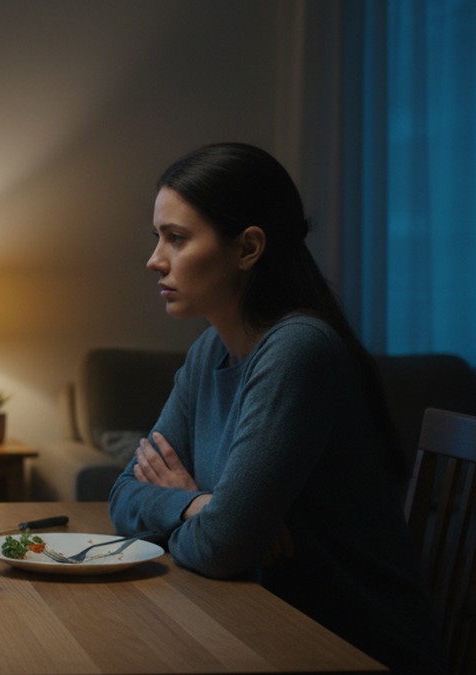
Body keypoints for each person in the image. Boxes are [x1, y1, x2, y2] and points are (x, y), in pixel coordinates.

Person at [108, 142, 446, 672]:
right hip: (258, 627)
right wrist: (199, 506)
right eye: (159, 238)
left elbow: (223, 548)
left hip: (350, 647)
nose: (155, 259)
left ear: (248, 248)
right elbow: (123, 495)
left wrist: (214, 520)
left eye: (176, 238)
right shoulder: (209, 350)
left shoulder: (299, 349)